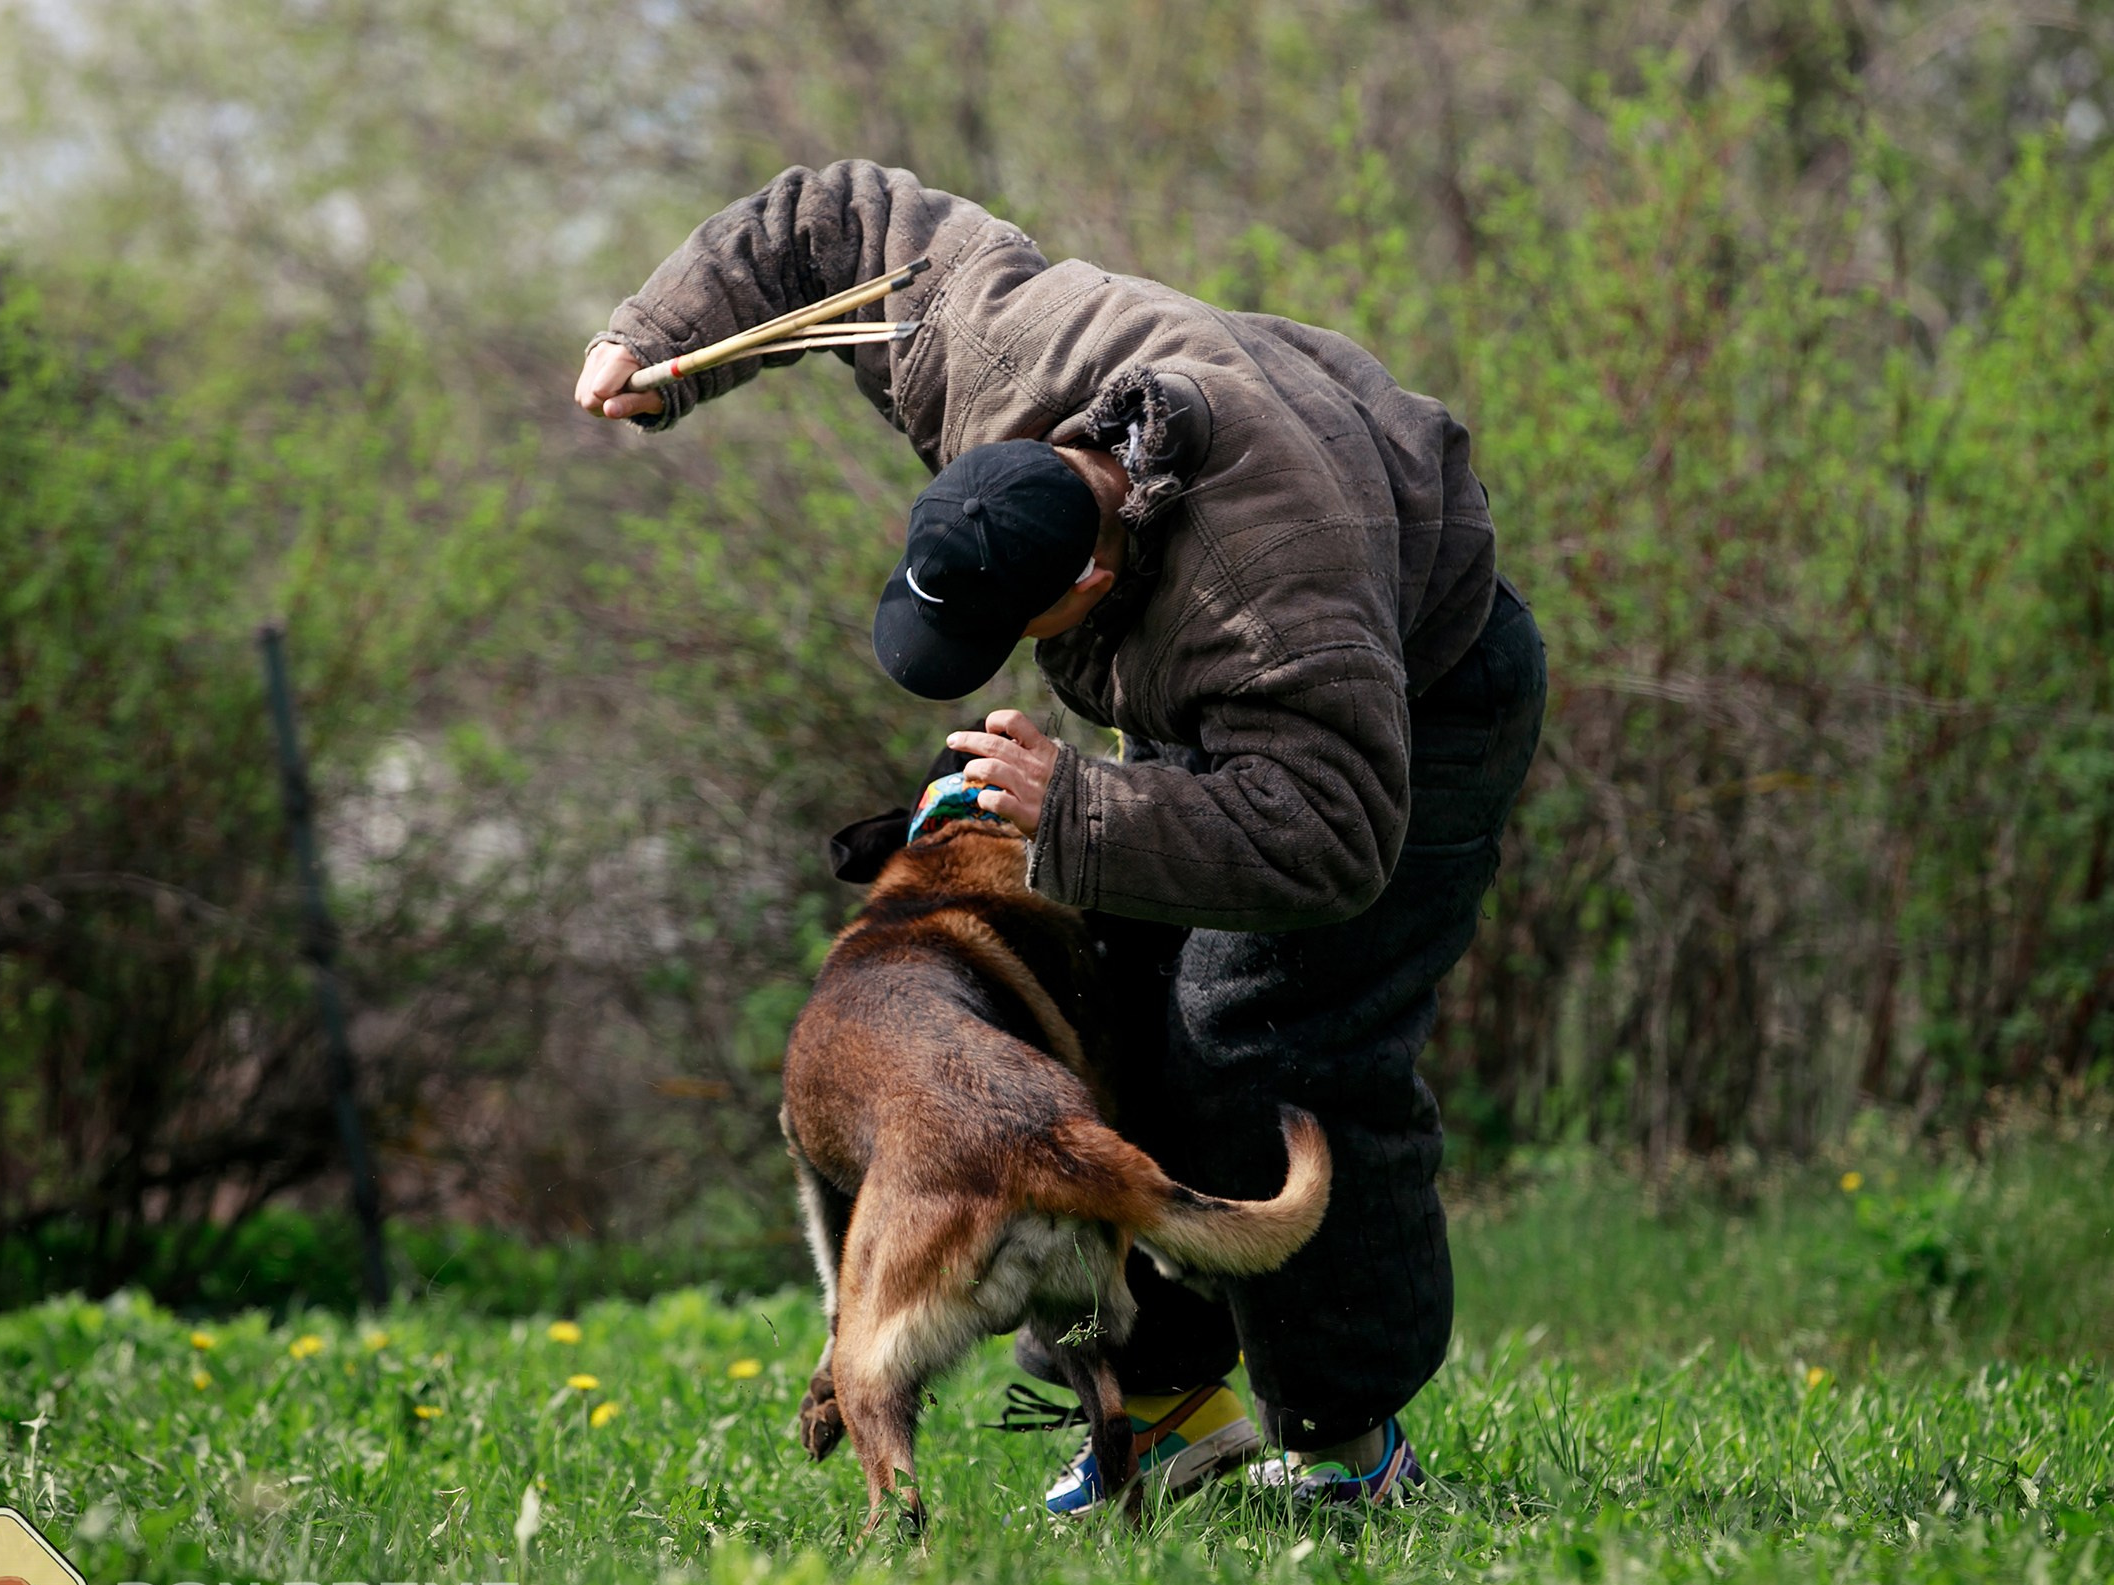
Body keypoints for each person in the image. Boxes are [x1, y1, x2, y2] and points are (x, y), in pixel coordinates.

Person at [575, 160, 1545, 1513]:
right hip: (1224, 698)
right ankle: (1167, 1410)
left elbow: (1333, 838)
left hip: (1409, 712)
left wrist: (1080, 807)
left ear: (1090, 577)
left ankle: (1349, 1442)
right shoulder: (986, 352)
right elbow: (837, 220)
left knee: (1259, 1040)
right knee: (1102, 1018)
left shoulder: (1270, 596)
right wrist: (660, 339)